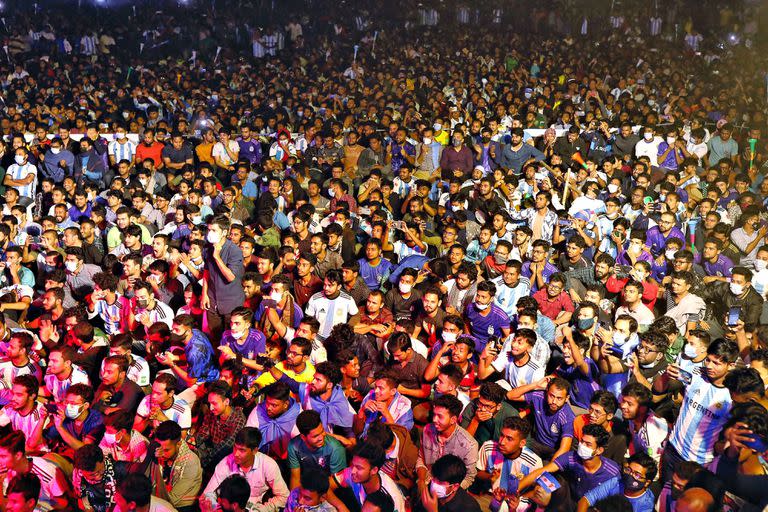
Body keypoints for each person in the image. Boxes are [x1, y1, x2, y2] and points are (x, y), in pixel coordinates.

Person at [201, 427, 289, 512]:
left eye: (242, 450)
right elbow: (206, 495)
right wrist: (216, 508)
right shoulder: (226, 463)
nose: (236, 454)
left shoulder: (268, 465)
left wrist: (263, 509)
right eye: (235, 447)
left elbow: (284, 496)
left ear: (254, 450)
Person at [416, 395, 479, 490]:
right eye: (434, 414)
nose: (434, 419)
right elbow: (421, 459)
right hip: (428, 482)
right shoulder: (427, 430)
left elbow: (469, 478)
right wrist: (421, 480)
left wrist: (448, 491)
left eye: (440, 417)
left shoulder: (469, 445)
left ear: (453, 419)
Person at [0, 431, 73, 511]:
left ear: (18, 456)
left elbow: (64, 504)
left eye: (3, 456)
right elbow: (7, 505)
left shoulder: (47, 473)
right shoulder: (9, 473)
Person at [327, 441, 406, 512]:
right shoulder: (352, 472)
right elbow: (325, 486)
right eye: (352, 465)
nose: (353, 471)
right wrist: (341, 506)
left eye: (359, 468)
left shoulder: (393, 498)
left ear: (374, 470)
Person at [147, 420, 202, 512]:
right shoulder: (157, 451)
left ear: (179, 444)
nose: (161, 453)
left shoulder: (190, 462)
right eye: (159, 448)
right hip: (158, 498)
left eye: (166, 450)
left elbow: (173, 499)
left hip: (181, 506)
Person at [288, 410, 348, 489]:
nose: (321, 438)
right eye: (315, 436)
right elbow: (295, 478)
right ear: (303, 437)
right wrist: (294, 499)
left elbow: (336, 482)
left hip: (328, 489)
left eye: (322, 431)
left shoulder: (335, 448)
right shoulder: (293, 446)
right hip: (307, 486)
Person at [245, 382, 301, 460]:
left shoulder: (298, 416)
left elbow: (299, 449)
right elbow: (248, 438)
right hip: (259, 458)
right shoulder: (258, 410)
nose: (269, 408)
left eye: (274, 405)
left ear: (285, 404)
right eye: (267, 403)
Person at [416, 454, 482, 512]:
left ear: (455, 486)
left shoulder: (469, 508)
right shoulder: (428, 492)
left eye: (440, 482)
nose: (434, 484)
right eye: (434, 479)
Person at [113, 473, 177, 512]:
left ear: (132, 504)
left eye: (118, 500)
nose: (115, 499)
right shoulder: (120, 508)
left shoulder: (165, 510)